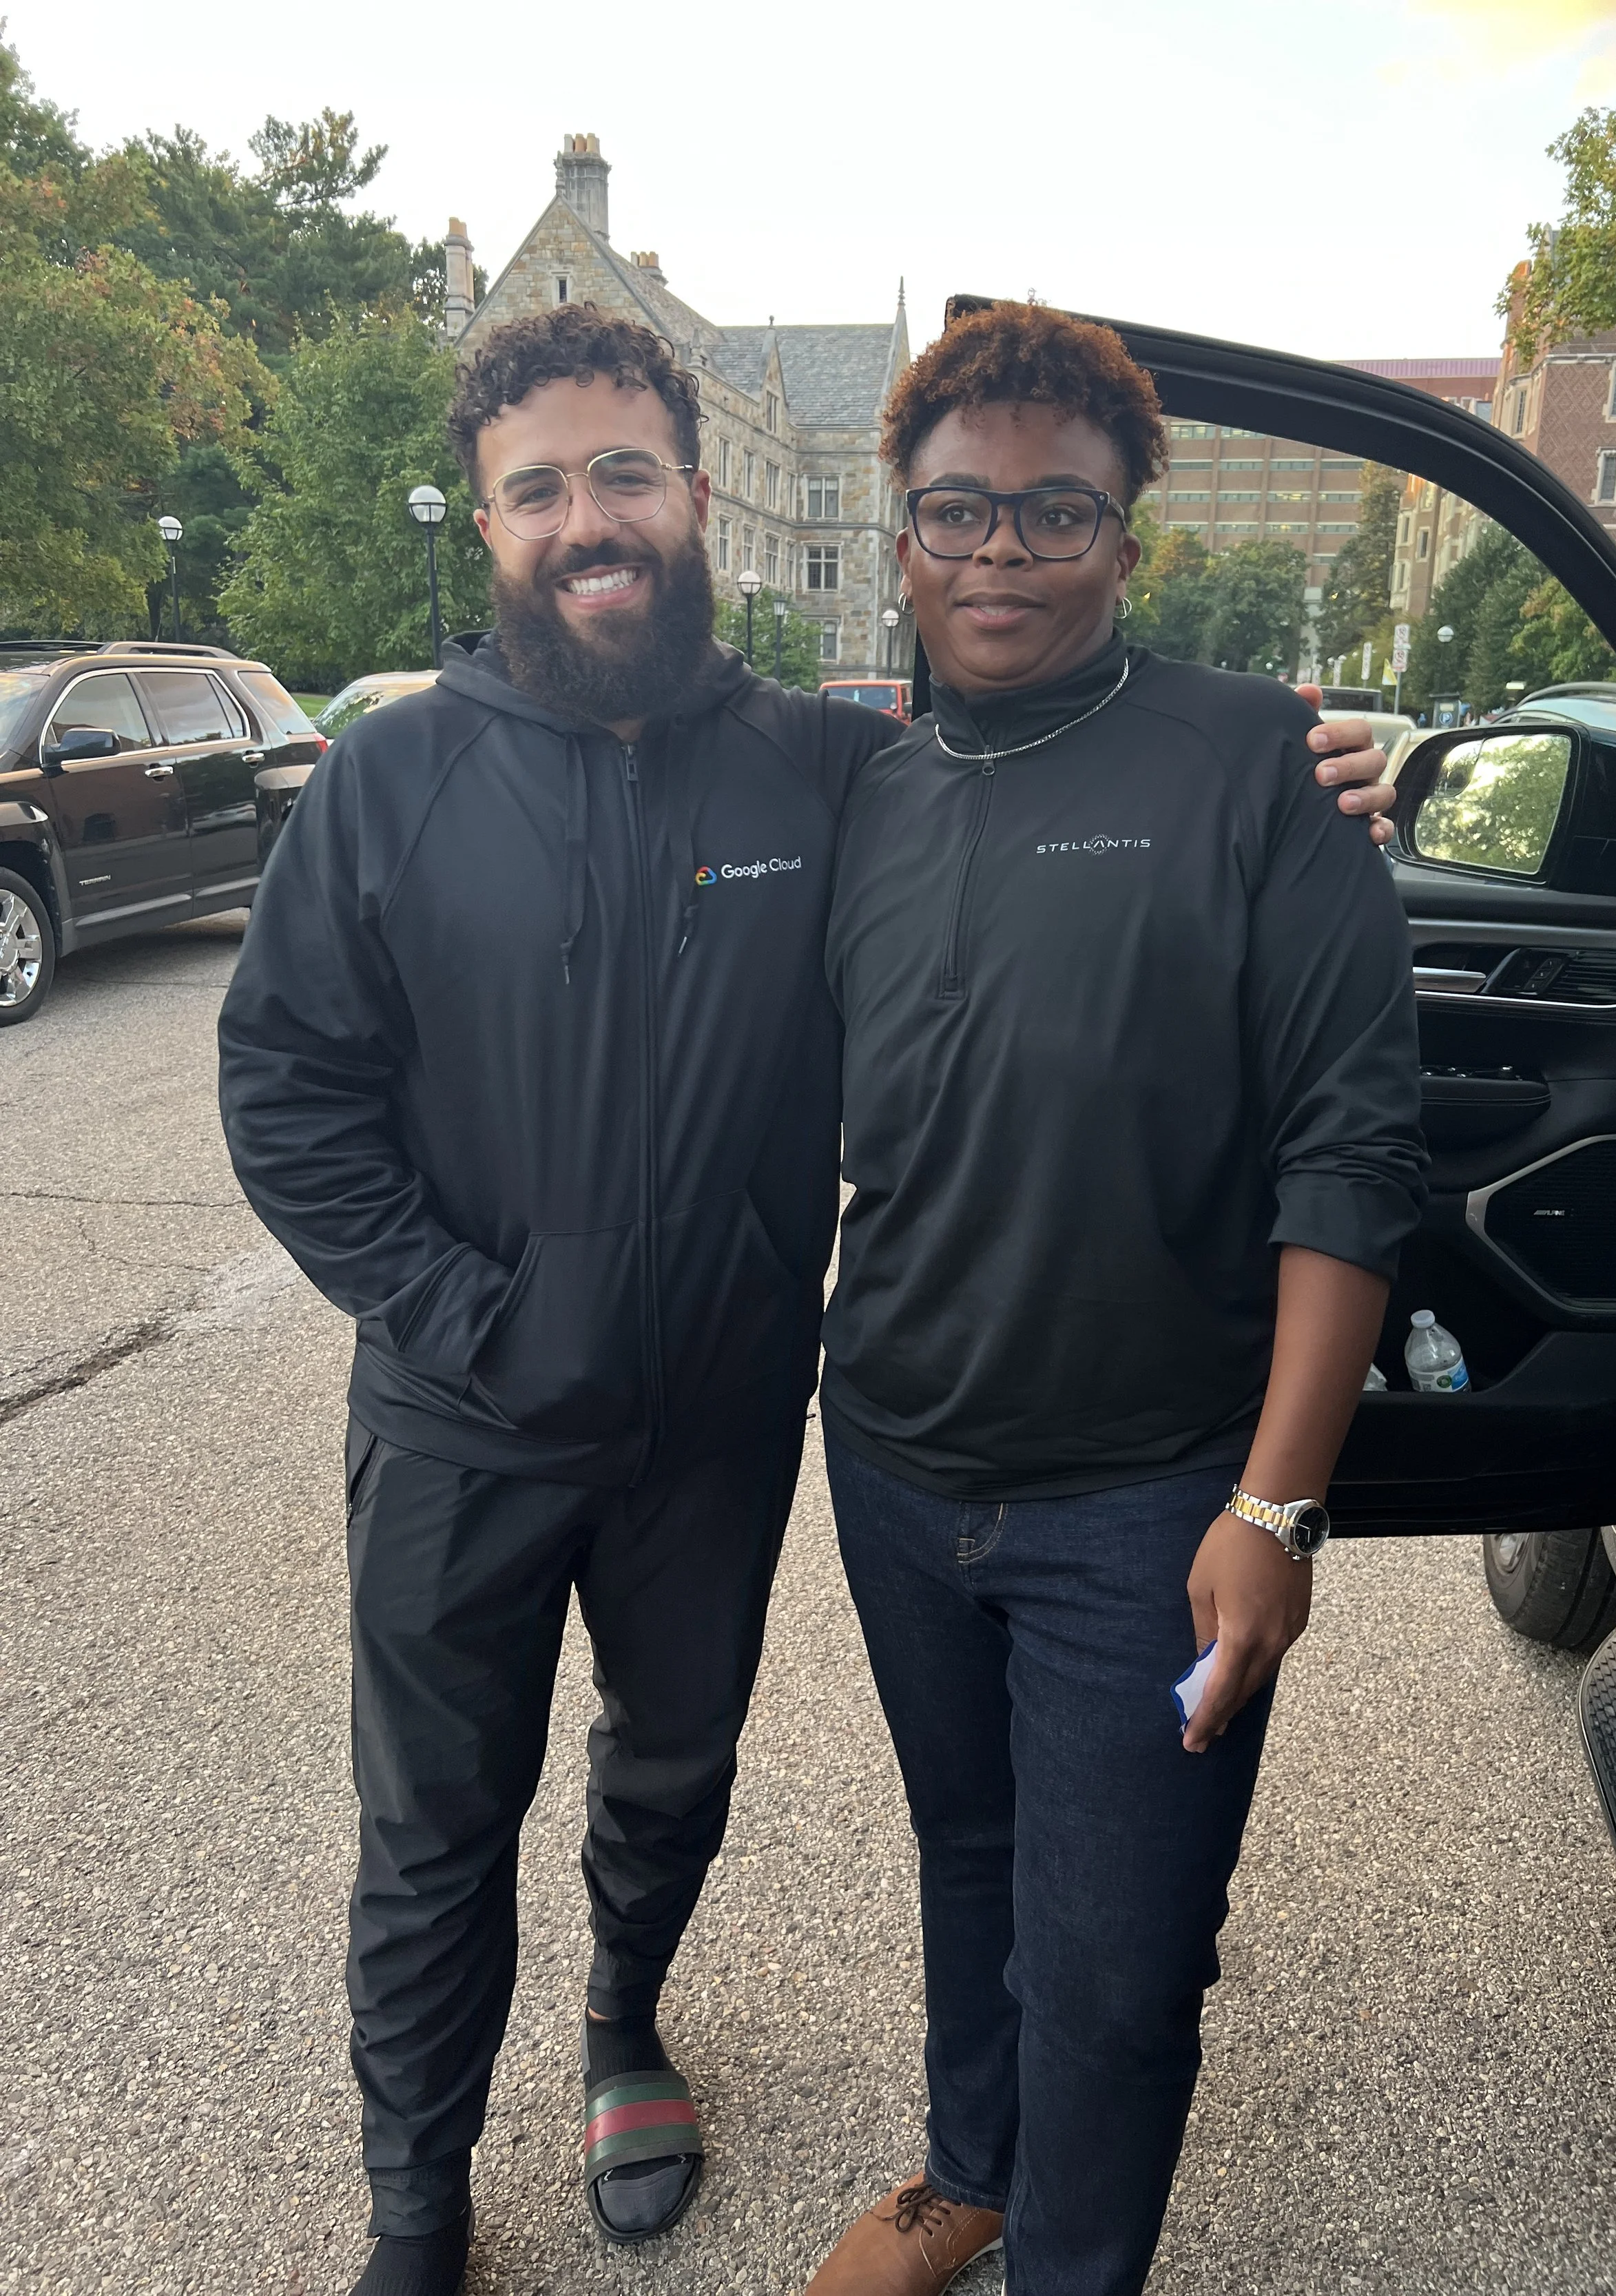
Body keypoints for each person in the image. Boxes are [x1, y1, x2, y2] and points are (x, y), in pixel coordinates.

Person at [216, 301, 1400, 2296]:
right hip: (477, 1418)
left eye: (620, 474)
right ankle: (416, 2207)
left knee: (682, 1774)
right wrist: (471, 1316)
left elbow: (1071, 816)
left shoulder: (829, 769)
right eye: (534, 489)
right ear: (494, 525)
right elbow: (286, 1092)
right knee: (435, 1836)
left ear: (697, 495)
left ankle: (624, 2031)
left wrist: (1334, 766)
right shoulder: (396, 773)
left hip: (738, 1425)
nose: (583, 518)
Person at [806, 303, 1427, 2296]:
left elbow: (1353, 1142)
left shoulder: (1260, 763)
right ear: (897, 532)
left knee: (1118, 1955)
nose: (998, 552)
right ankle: (970, 2171)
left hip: (1145, 1500)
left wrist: (1274, 1504)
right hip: (896, 1458)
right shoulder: (864, 793)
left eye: (1054, 513)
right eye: (957, 511)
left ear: (1126, 538)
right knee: (968, 1858)